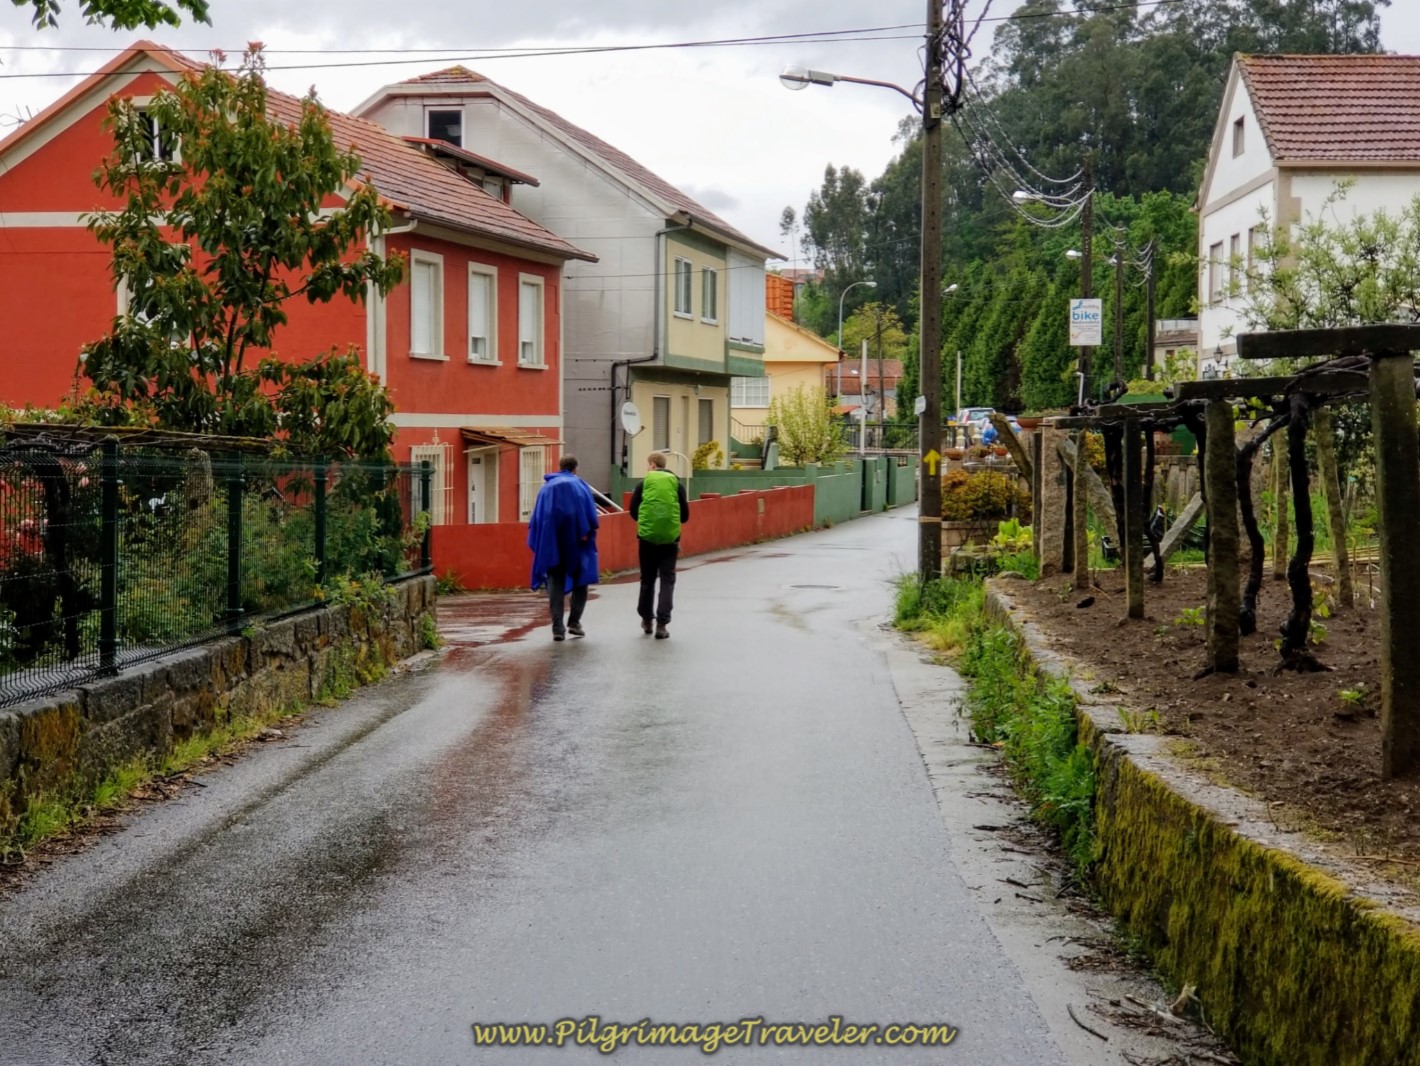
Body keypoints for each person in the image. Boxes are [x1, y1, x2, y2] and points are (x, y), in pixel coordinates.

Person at [527, 454, 600, 641]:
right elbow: (591, 516)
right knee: (581, 581)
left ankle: (558, 628)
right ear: (575, 468)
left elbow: (537, 518)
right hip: (577, 542)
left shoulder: (546, 489)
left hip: (552, 543)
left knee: (555, 582)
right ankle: (574, 622)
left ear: (560, 467)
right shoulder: (580, 486)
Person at [629, 451, 690, 639]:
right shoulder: (677, 484)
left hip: (646, 540)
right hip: (670, 540)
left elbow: (633, 511)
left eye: (648, 465)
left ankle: (647, 620)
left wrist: (648, 524)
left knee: (647, 579)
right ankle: (662, 625)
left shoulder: (643, 484)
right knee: (667, 580)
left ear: (653, 465)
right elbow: (685, 516)